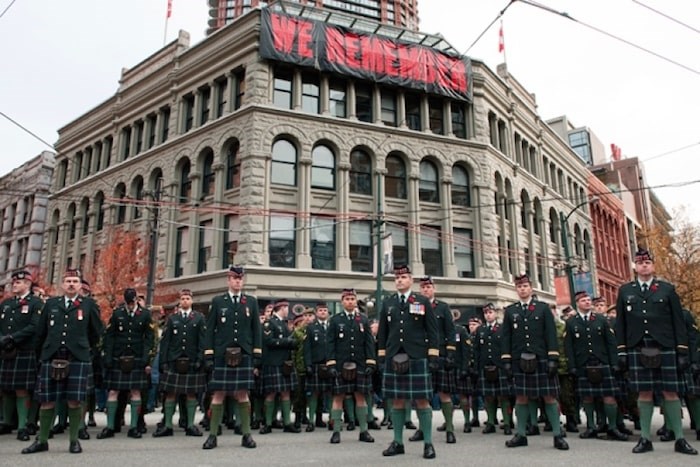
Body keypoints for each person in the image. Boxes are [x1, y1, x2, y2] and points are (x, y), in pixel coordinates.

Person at [615, 248, 697, 455]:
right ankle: (644, 438)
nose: (644, 265)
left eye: (648, 262)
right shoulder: (626, 291)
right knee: (644, 392)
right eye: (640, 262)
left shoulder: (667, 289)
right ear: (634, 266)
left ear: (653, 266)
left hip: (665, 346)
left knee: (671, 391)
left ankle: (679, 439)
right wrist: (622, 351)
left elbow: (678, 322)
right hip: (638, 346)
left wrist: (682, 351)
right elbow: (621, 323)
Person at [22, 268, 103, 455]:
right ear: (62, 284)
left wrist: (83, 347)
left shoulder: (89, 304)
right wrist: (43, 353)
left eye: (75, 281)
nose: (72, 284)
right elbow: (40, 332)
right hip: (52, 355)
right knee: (46, 399)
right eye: (68, 281)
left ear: (80, 285)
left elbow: (96, 331)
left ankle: (74, 440)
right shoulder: (51, 304)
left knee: (75, 400)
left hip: (77, 357)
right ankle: (42, 441)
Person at [377, 265, 439, 459]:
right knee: (397, 400)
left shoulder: (421, 301)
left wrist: (433, 355)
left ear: (411, 280)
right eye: (397, 277)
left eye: (403, 277)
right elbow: (383, 332)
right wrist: (381, 355)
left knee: (422, 400)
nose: (399, 280)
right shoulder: (388, 303)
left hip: (417, 355)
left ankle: (428, 443)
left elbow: (432, 330)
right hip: (394, 355)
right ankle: (398, 442)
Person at [501, 274, 568, 450]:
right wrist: (506, 360)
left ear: (531, 288)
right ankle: (521, 434)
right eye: (519, 286)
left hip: (541, 358)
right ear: (516, 290)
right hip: (519, 360)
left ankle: (557, 435)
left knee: (549, 397)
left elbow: (551, 334)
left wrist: (553, 357)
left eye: (525, 286)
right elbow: (505, 337)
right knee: (521, 397)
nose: (522, 289)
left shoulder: (543, 308)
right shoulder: (510, 311)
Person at [202, 266, 261, 450]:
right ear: (228, 280)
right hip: (222, 353)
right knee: (218, 393)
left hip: (243, 353)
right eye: (234, 278)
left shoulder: (250, 301)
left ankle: (246, 435)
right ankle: (212, 435)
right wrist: (209, 354)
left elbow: (256, 330)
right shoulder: (218, 301)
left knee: (243, 394)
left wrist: (257, 353)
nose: (237, 281)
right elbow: (210, 330)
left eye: (240, 278)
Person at [564, 291, 627, 441]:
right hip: (583, 363)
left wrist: (614, 362)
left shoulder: (601, 320)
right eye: (583, 300)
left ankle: (612, 427)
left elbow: (610, 343)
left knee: (609, 396)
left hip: (602, 362)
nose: (587, 302)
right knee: (587, 398)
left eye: (588, 300)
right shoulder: (571, 322)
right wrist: (572, 365)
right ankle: (591, 427)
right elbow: (569, 346)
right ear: (577, 303)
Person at [97, 288, 155, 440]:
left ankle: (134, 427)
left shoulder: (145, 314)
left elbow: (150, 338)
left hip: (136, 358)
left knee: (136, 392)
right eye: (128, 303)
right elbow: (110, 336)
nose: (130, 305)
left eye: (132, 302)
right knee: (113, 392)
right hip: (118, 357)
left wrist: (146, 358)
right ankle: (110, 427)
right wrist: (108, 357)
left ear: (136, 300)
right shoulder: (117, 314)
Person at [407, 276, 457, 444]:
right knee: (422, 395)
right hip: (422, 355)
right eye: (423, 287)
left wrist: (450, 353)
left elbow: (450, 331)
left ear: (433, 289)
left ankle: (450, 429)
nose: (425, 290)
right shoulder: (416, 306)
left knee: (444, 393)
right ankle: (422, 429)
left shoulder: (442, 307)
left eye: (428, 287)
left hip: (441, 354)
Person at [152, 289, 207, 438]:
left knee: (191, 394)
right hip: (173, 361)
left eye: (188, 298)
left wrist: (199, 359)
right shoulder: (172, 318)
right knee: (171, 394)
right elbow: (165, 342)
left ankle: (190, 425)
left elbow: (202, 341)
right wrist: (163, 361)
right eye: (182, 298)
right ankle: (168, 426)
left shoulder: (199, 318)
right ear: (179, 301)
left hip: (191, 361)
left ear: (192, 301)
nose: (185, 301)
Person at [326, 288, 376, 444]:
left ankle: (363, 431)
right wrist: (331, 364)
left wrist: (370, 362)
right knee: (338, 397)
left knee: (361, 396)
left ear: (356, 301)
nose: (350, 301)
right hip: (341, 364)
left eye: (352, 299)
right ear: (342, 302)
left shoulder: (363, 319)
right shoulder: (335, 320)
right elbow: (330, 343)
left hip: (360, 364)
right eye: (347, 299)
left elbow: (369, 342)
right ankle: (336, 432)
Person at [0, 270, 43, 440]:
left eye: (18, 283)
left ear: (27, 284)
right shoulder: (6, 304)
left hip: (24, 349)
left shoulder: (36, 303)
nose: (14, 285)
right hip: (5, 350)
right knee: (5, 388)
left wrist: (12, 338)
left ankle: (22, 426)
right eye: (14, 283)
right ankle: (6, 422)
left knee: (21, 390)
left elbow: (34, 326)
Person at [260, 299, 299, 434]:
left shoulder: (284, 324)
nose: (288, 311)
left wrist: (293, 343)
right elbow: (268, 341)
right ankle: (268, 424)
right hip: (273, 362)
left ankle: (287, 423)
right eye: (287, 308)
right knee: (271, 393)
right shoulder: (269, 323)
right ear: (282, 308)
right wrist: (287, 342)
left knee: (286, 392)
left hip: (285, 363)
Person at [474, 303, 512, 436]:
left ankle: (507, 423)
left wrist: (508, 365)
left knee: (504, 397)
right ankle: (490, 422)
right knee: (489, 397)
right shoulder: (481, 330)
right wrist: (477, 368)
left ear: (496, 313)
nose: (488, 315)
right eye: (486, 313)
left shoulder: (502, 328)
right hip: (486, 367)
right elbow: (477, 350)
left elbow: (507, 347)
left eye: (490, 312)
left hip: (500, 366)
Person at [303, 302, 332, 431]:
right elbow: (307, 348)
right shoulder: (310, 328)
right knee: (314, 394)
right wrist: (308, 364)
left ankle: (333, 420)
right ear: (316, 312)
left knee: (332, 393)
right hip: (316, 364)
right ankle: (311, 422)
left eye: (325, 310)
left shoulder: (333, 326)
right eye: (320, 310)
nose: (323, 312)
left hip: (331, 364)